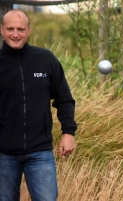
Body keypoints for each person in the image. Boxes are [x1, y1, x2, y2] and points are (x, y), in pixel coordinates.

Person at [0, 9, 77, 201]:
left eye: (20, 29)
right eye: (10, 29)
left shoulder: (45, 59)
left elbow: (64, 99)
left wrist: (68, 132)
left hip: (40, 152)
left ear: (29, 31)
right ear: (2, 30)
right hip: (3, 154)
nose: (15, 34)